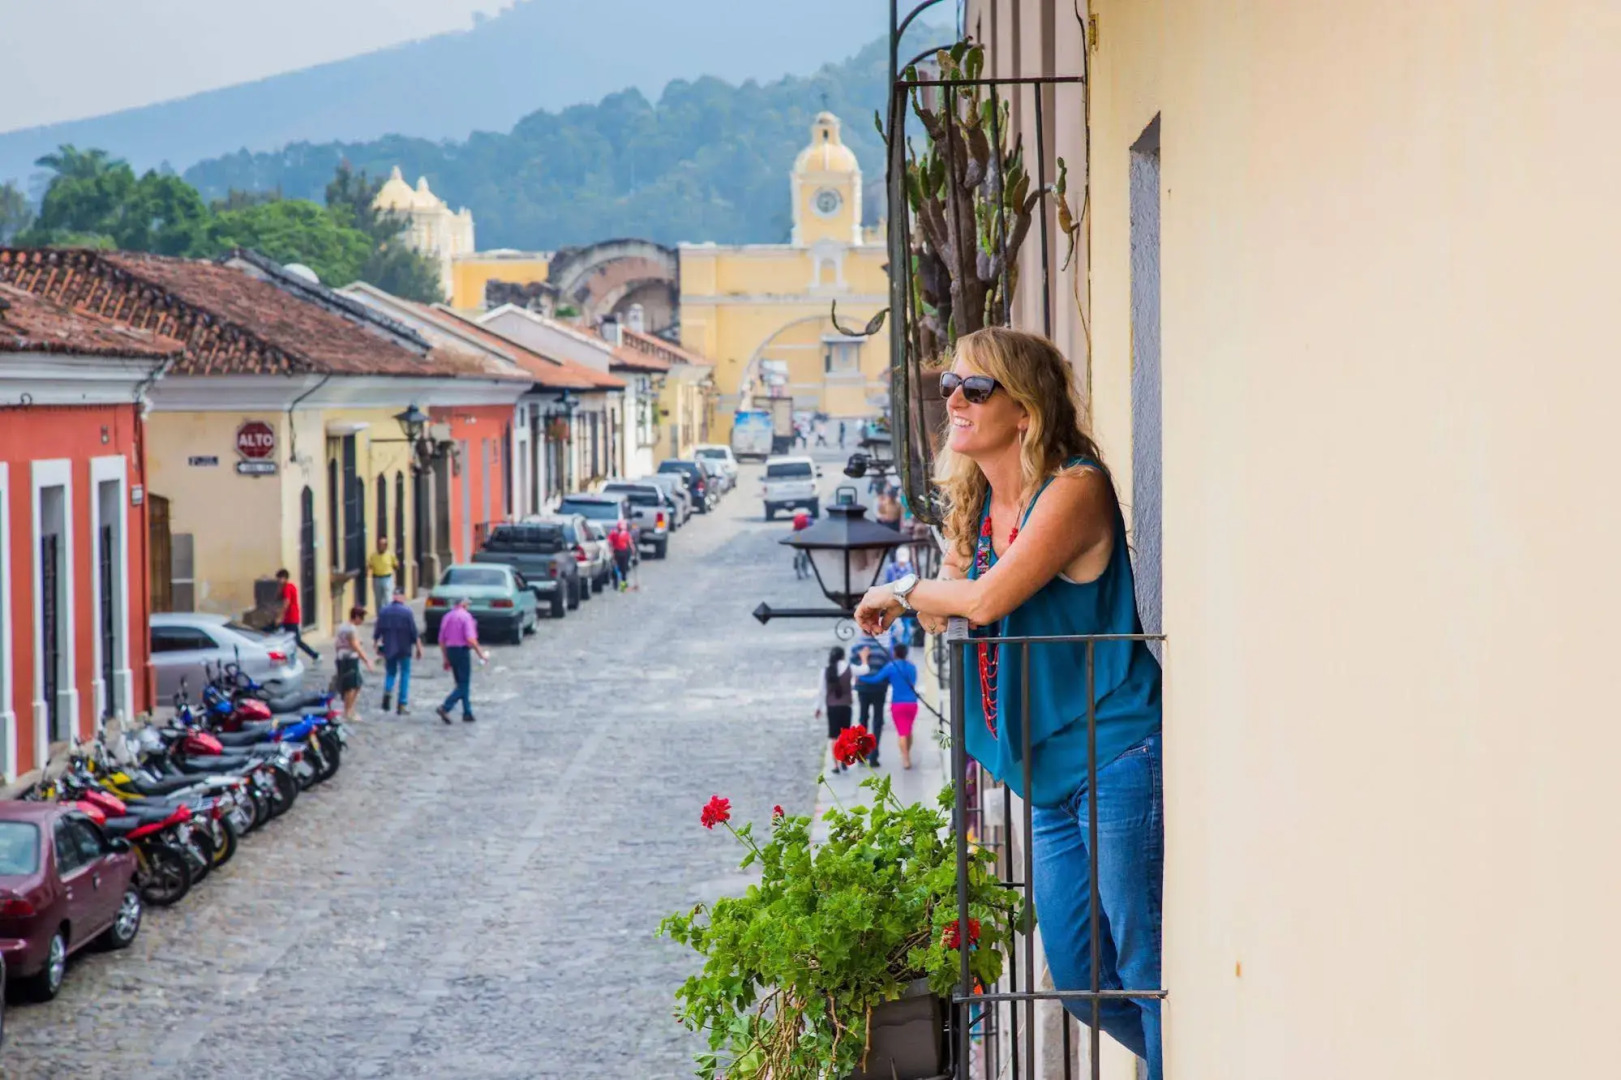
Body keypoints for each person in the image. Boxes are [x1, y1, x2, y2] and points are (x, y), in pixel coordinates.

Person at [853, 326, 1164, 1079]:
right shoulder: (982, 502)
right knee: (1083, 982)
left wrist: (903, 588)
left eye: (975, 389)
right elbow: (945, 607)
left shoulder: (1074, 487)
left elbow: (982, 601)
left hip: (1113, 748)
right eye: (948, 387)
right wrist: (934, 588)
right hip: (1048, 772)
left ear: (1023, 410)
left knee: (1143, 962)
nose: (954, 400)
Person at [858, 644, 921, 770]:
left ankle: (905, 759)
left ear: (895, 653)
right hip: (912, 704)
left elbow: (876, 679)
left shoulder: (891, 666)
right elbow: (913, 681)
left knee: (902, 733)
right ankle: (907, 753)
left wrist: (860, 676)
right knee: (908, 730)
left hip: (898, 704)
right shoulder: (912, 666)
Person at [813, 646, 867, 773]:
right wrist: (864, 658)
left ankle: (836, 765)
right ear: (843, 656)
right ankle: (844, 761)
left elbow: (822, 692)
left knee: (834, 737)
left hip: (832, 707)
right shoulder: (849, 668)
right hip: (846, 706)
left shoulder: (825, 671)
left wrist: (818, 708)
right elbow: (865, 670)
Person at [436, 598, 488, 724]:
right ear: (464, 605)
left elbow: (441, 640)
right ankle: (445, 707)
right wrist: (481, 654)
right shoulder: (466, 617)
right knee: (463, 684)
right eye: (468, 604)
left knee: (460, 683)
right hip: (462, 650)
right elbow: (470, 639)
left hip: (450, 650)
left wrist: (445, 658)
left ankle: (467, 712)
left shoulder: (447, 617)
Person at [373, 590, 422, 715]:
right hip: (404, 647)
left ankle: (388, 691)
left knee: (390, 672)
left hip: (389, 647)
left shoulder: (384, 611)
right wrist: (419, 648)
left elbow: (377, 631)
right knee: (405, 674)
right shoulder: (407, 612)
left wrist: (376, 645)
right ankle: (402, 704)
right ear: (402, 597)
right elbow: (414, 632)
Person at [333, 606, 375, 722]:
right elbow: (355, 646)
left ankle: (350, 710)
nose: (362, 620)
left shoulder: (342, 626)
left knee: (355, 684)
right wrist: (367, 661)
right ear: (356, 617)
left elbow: (337, 644)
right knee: (352, 686)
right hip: (350, 659)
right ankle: (348, 711)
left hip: (342, 658)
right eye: (361, 617)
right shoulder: (351, 629)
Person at [853, 644, 889, 767]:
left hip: (863, 689)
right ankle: (873, 756)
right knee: (877, 722)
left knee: (863, 720)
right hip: (879, 689)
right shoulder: (883, 650)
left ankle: (862, 755)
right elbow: (887, 669)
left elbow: (852, 668)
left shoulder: (856, 649)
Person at [273, 569, 319, 662]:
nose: (278, 581)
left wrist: (280, 617)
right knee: (289, 640)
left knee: (295, 640)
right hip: (290, 619)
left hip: (290, 619)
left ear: (285, 578)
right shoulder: (288, 587)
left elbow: (286, 602)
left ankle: (314, 655)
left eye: (280, 579)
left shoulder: (287, 588)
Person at [367, 537, 398, 614]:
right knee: (378, 600)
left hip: (387, 578)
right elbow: (370, 566)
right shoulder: (373, 556)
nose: (382, 546)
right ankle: (380, 616)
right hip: (377, 578)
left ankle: (389, 615)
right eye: (380, 544)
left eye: (384, 544)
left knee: (388, 599)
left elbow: (396, 565)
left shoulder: (391, 555)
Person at [608, 519, 634, 591]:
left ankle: (622, 584)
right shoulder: (613, 533)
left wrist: (632, 550)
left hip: (624, 552)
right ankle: (617, 584)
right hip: (617, 552)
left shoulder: (625, 534)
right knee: (616, 569)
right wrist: (611, 551)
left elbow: (630, 543)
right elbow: (610, 543)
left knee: (623, 569)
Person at [790, 508, 812, 579]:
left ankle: (796, 562)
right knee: (806, 552)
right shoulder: (809, 520)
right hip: (805, 536)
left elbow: (794, 529)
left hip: (797, 536)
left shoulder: (796, 519)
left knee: (798, 550)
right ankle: (805, 570)